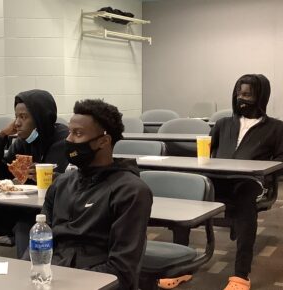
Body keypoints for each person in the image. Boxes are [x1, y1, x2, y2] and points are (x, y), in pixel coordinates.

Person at [159, 74, 283, 290]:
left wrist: (264, 171)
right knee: (187, 195)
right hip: (218, 178)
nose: (240, 98)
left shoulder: (276, 128)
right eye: (238, 93)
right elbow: (207, 151)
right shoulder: (223, 123)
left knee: (245, 201)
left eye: (247, 94)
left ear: (261, 97)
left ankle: (241, 275)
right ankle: (180, 266)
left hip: (251, 182)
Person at [41, 99, 152, 290]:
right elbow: (40, 241)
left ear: (104, 141)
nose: (68, 140)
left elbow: (122, 271)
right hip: (53, 278)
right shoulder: (61, 183)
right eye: (69, 132)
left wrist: (67, 283)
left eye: (78, 133)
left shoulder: (130, 191)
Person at [0, 89, 69, 256]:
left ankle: (26, 271)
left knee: (26, 222)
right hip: (21, 205)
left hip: (47, 211)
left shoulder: (63, 140)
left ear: (41, 118)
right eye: (16, 116)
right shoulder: (22, 142)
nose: (17, 123)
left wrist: (44, 174)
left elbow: (67, 183)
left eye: (24, 117)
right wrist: (1, 137)